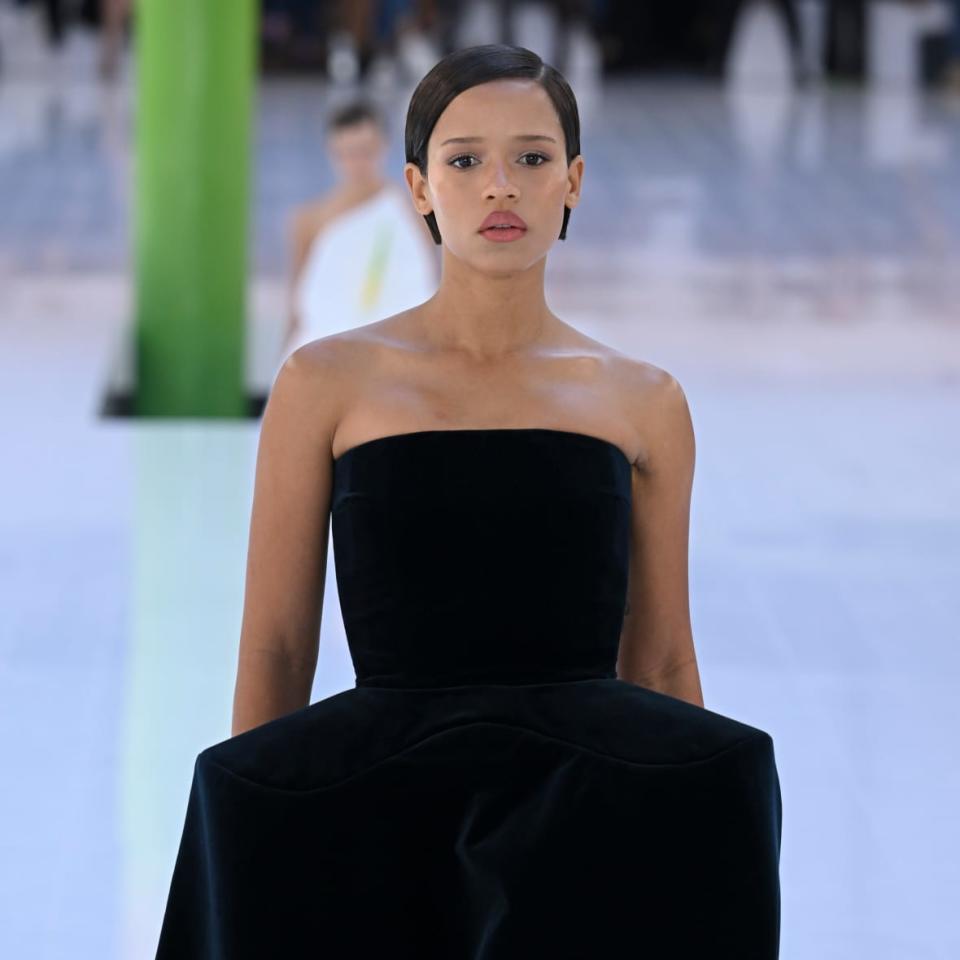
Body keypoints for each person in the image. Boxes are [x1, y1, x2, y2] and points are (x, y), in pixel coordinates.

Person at [156, 43, 783, 958]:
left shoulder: (641, 399)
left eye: (531, 159)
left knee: (731, 772)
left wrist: (691, 809)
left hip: (579, 788)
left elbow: (659, 656)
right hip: (385, 780)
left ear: (572, 182)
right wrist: (256, 831)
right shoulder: (325, 382)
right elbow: (280, 643)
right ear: (418, 186)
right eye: (464, 161)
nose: (501, 187)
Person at [281, 98, 438, 362]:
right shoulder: (309, 218)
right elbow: (299, 300)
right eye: (347, 153)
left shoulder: (414, 210)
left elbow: (430, 280)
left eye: (366, 151)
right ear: (333, 153)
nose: (357, 163)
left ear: (384, 147)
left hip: (397, 352)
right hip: (325, 350)